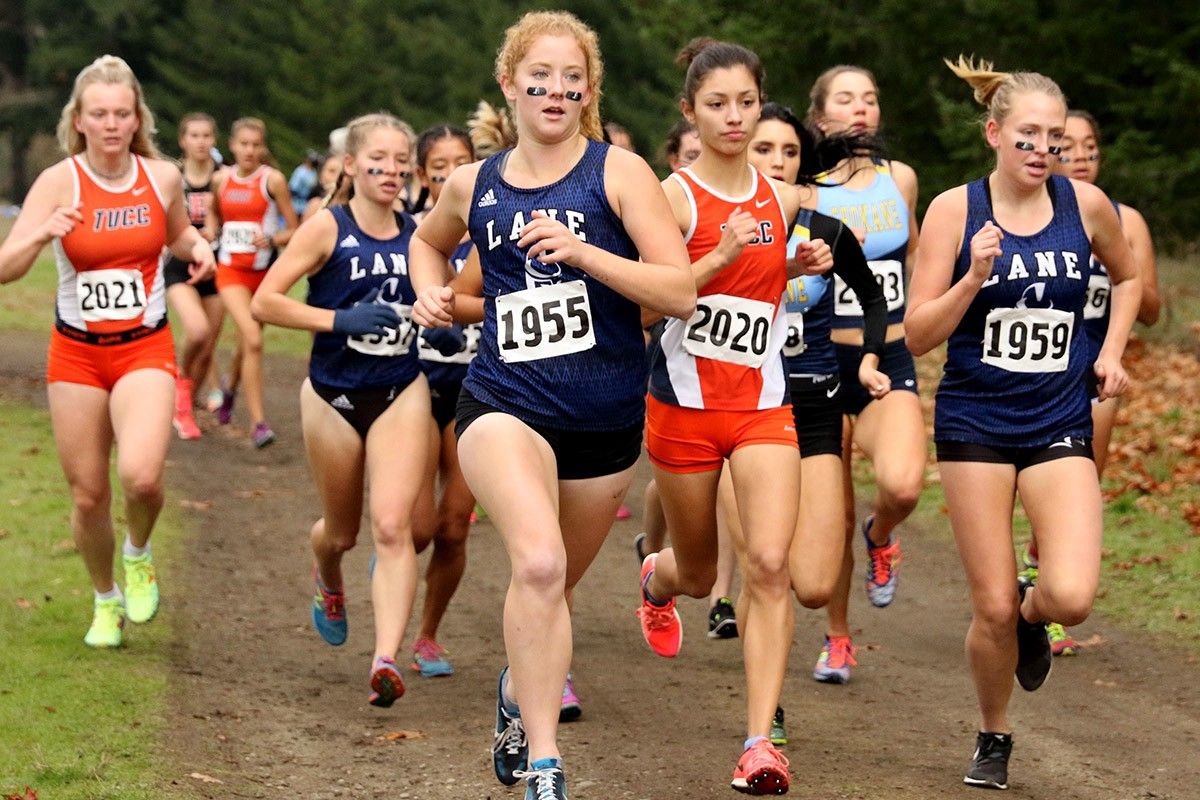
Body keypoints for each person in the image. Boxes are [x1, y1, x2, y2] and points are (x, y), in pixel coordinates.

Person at [410, 12, 695, 800]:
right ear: (509, 83)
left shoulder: (619, 175)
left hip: (604, 422)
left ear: (588, 91)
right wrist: (429, 289)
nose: (556, 90)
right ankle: (544, 762)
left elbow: (680, 291)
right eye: (540, 76)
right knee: (535, 562)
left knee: (554, 587)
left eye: (572, 79)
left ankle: (516, 691)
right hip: (504, 403)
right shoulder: (475, 184)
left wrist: (585, 253)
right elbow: (430, 241)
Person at [907, 56, 1141, 790]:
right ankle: (994, 732)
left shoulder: (1086, 206)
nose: (1043, 150)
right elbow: (916, 334)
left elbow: (1128, 276)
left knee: (1068, 594)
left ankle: (1035, 620)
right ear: (994, 134)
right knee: (990, 605)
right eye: (1028, 136)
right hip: (975, 418)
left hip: (1057, 415)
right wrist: (972, 277)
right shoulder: (955, 209)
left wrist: (1107, 353)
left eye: (1054, 138)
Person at [635, 38, 832, 796]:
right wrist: (717, 259)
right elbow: (649, 301)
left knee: (771, 565)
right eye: (716, 103)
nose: (734, 116)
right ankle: (656, 581)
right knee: (699, 572)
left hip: (760, 406)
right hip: (683, 408)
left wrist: (792, 266)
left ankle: (760, 743)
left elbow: (760, 283)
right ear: (690, 111)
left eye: (746, 102)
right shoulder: (671, 197)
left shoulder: (782, 199)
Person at [0, 55, 215, 647]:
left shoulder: (161, 177)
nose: (113, 123)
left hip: (144, 346)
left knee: (142, 478)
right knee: (89, 493)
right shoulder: (58, 182)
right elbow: (5, 268)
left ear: (137, 117)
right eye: (100, 114)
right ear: (81, 120)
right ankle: (104, 598)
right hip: (76, 354)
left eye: (123, 113)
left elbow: (175, 232)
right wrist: (44, 232)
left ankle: (138, 554)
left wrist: (199, 247)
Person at [251, 112, 429, 707]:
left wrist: (441, 328)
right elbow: (265, 302)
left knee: (392, 526)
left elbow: (443, 299)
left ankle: (386, 657)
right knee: (343, 533)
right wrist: (337, 320)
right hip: (332, 394)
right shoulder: (327, 228)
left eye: (401, 161)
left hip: (401, 389)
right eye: (378, 159)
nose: (392, 171)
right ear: (351, 165)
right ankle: (327, 578)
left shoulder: (422, 234)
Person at [735, 102, 887, 746]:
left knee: (815, 582)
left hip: (817, 407)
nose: (776, 161)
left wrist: (872, 359)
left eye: (789, 152)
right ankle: (764, 716)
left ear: (804, 161)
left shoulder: (826, 229)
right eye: (764, 149)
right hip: (741, 411)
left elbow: (874, 295)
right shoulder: (720, 228)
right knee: (759, 565)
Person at [1024, 109, 1162, 655]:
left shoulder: (1122, 219)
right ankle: (1025, 587)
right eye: (1068, 146)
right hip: (1032, 372)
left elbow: (1150, 308)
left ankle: (1044, 583)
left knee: (1077, 482)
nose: (1079, 157)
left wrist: (1120, 263)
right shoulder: (1031, 213)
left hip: (1095, 375)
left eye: (1090, 149)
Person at [807, 65, 926, 660]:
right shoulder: (806, 188)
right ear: (821, 116)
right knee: (835, 510)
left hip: (888, 354)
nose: (861, 110)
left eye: (871, 100)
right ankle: (838, 637)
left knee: (902, 485)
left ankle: (881, 536)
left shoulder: (899, 180)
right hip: (823, 358)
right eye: (847, 99)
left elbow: (918, 259)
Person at [407, 124, 479, 679]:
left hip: (473, 386)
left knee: (454, 526)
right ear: (422, 173)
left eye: (462, 161)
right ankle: (392, 561)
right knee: (416, 528)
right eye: (439, 164)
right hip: (411, 385)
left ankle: (428, 635)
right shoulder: (410, 235)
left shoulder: (496, 233)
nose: (451, 171)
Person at [208, 117, 298, 447]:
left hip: (263, 276)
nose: (249, 150)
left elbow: (295, 229)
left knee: (247, 342)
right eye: (243, 144)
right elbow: (214, 215)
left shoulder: (272, 181)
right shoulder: (221, 180)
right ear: (232, 145)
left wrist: (272, 240)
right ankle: (259, 424)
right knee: (253, 339)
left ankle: (229, 391)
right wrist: (212, 230)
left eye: (256, 145)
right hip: (230, 272)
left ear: (263, 147)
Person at [165, 111, 225, 440]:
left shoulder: (224, 176)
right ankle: (179, 386)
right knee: (198, 332)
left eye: (207, 136)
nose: (201, 142)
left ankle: (185, 403)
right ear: (182, 140)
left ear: (214, 140)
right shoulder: (172, 177)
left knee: (208, 346)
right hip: (179, 265)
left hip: (218, 267)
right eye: (194, 136)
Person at [288, 150, 320, 214]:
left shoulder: (309, 172)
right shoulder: (303, 171)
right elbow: (292, 188)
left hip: (303, 204)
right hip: (299, 203)